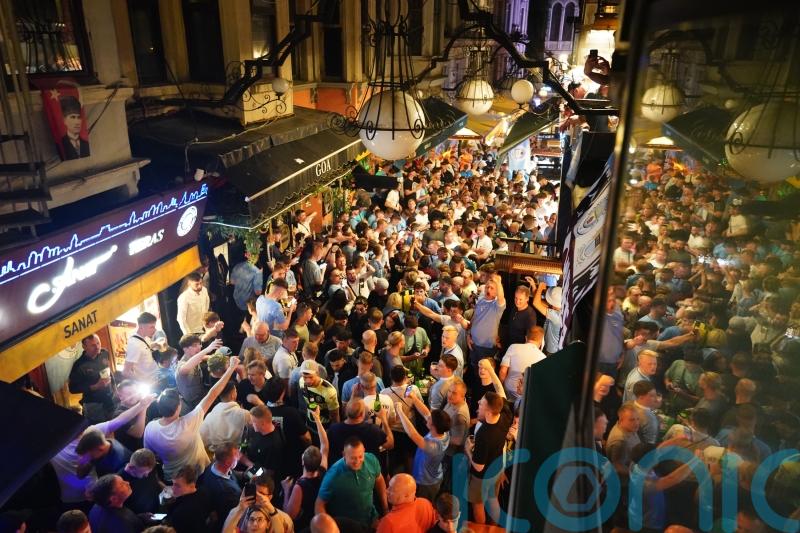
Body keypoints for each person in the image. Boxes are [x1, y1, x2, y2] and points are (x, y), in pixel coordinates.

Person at [144, 356, 239, 480]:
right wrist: (231, 368)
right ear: (179, 406)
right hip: (198, 475)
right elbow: (213, 393)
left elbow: (149, 456)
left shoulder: (150, 428)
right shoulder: (189, 422)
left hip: (171, 478)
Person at [51, 395, 154, 509]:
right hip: (72, 497)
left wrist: (142, 405)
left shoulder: (91, 432)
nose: (82, 428)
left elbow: (119, 420)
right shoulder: (53, 444)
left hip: (97, 492)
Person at [315, 437, 388, 529]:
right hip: (347, 527)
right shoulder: (332, 475)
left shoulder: (371, 460)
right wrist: (326, 528)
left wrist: (385, 509)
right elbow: (319, 504)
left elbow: (379, 480)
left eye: (360, 456)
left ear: (364, 451)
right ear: (344, 455)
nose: (357, 461)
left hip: (371, 520)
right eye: (353, 458)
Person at [466, 392, 513, 524]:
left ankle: (482, 528)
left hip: (482, 477)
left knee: (478, 504)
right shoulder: (505, 417)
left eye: (481, 404)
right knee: (493, 500)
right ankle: (494, 528)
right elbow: (502, 400)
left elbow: (478, 467)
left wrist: (468, 450)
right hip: (497, 469)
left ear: (488, 413)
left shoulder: (484, 435)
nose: (478, 404)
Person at [281, 407, 329, 531]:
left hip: (306, 525)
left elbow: (290, 514)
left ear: (302, 461)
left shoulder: (299, 486)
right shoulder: (323, 470)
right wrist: (317, 420)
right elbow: (324, 445)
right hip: (321, 519)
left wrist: (286, 490)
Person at [396, 394, 451, 502]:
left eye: (430, 419)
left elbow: (413, 434)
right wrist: (414, 398)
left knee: (424, 503)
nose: (428, 418)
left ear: (433, 426)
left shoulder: (434, 446)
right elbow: (426, 413)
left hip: (427, 482)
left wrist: (400, 411)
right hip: (432, 475)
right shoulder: (444, 431)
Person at [326, 398, 392, 464]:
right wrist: (384, 419)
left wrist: (353, 398)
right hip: (369, 470)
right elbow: (390, 444)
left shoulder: (333, 429)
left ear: (346, 412)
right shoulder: (373, 430)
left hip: (343, 469)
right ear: (362, 414)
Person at [69, 333, 115, 423]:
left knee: (115, 426)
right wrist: (95, 386)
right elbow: (72, 389)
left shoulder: (104, 353)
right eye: (93, 345)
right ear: (84, 347)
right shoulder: (79, 365)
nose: (97, 347)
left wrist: (115, 389)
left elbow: (109, 371)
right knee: (99, 431)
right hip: (93, 405)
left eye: (98, 343)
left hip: (110, 399)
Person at [198, 442, 242, 531]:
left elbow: (231, 473)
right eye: (236, 456)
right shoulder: (227, 491)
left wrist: (244, 474)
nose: (239, 457)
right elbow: (235, 514)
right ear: (227, 462)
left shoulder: (212, 466)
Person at [467, 274, 506, 370]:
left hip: (487, 347)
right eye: (487, 287)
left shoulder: (497, 306)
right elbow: (474, 318)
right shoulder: (481, 300)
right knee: (474, 368)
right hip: (473, 343)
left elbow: (501, 298)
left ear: (497, 292)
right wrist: (468, 335)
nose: (488, 289)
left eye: (492, 288)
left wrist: (498, 282)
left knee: (485, 371)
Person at [499, 325, 546, 401]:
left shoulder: (513, 347)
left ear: (526, 337)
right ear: (541, 341)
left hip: (508, 390)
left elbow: (502, 372)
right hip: (525, 396)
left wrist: (500, 388)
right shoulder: (543, 358)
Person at [200, 381, 251, 450]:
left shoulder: (211, 415)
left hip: (216, 454)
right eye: (235, 391)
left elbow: (202, 437)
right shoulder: (244, 414)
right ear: (232, 395)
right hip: (236, 453)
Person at [176, 336, 223, 410]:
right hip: (193, 403)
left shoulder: (194, 356)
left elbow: (202, 357)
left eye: (199, 344)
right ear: (185, 349)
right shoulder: (182, 364)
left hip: (201, 393)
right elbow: (184, 369)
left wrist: (218, 357)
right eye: (195, 345)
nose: (199, 347)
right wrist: (207, 349)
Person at [164, 465, 213, 533]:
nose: (173, 488)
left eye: (177, 485)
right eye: (173, 484)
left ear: (191, 485)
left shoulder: (180, 513)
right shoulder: (204, 492)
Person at [298, 360, 340, 434]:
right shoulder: (301, 382)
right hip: (309, 423)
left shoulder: (329, 391)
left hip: (324, 426)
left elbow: (335, 416)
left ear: (317, 373)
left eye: (311, 377)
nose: (307, 380)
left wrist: (334, 432)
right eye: (305, 377)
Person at [118, 449, 161, 514]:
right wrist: (140, 517)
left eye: (149, 472)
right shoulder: (120, 482)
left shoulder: (149, 467)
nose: (147, 475)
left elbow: (156, 481)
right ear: (131, 467)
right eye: (144, 473)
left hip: (157, 511)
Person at [124, 313, 160, 384]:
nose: (154, 330)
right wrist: (143, 382)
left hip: (156, 379)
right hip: (150, 384)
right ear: (141, 327)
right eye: (151, 327)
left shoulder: (144, 337)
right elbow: (126, 372)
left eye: (154, 327)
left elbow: (144, 347)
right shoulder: (134, 345)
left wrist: (156, 344)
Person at [605, 403, 641, 475]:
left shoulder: (629, 428)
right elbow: (618, 467)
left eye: (638, 419)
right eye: (632, 420)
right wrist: (638, 475)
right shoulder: (620, 441)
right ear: (621, 420)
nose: (637, 423)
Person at [59, 95, 89, 159]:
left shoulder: (86, 144)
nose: (77, 122)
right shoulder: (61, 144)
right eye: (72, 117)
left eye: (78, 117)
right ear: (64, 120)